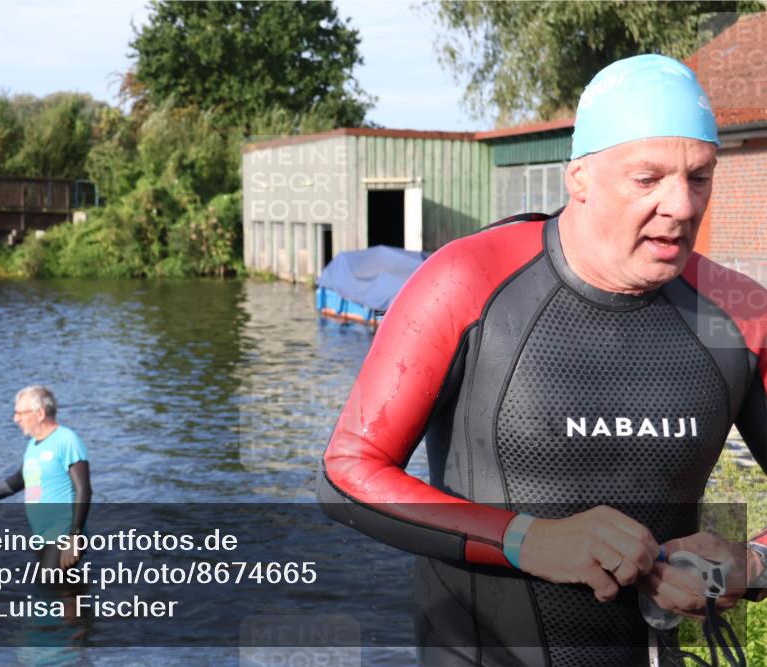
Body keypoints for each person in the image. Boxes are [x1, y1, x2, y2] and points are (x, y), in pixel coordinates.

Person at [317, 54, 766, 667]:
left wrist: (752, 563)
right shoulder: (468, 280)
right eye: (648, 179)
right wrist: (526, 540)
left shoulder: (741, 314)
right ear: (578, 177)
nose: (682, 206)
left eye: (699, 177)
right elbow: (347, 475)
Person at [0, 386, 92, 570]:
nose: (16, 418)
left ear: (40, 413)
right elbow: (20, 479)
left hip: (64, 533)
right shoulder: (33, 446)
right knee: (57, 591)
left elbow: (84, 489)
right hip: (42, 534)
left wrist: (74, 536)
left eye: (20, 413)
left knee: (52, 588)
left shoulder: (67, 440)